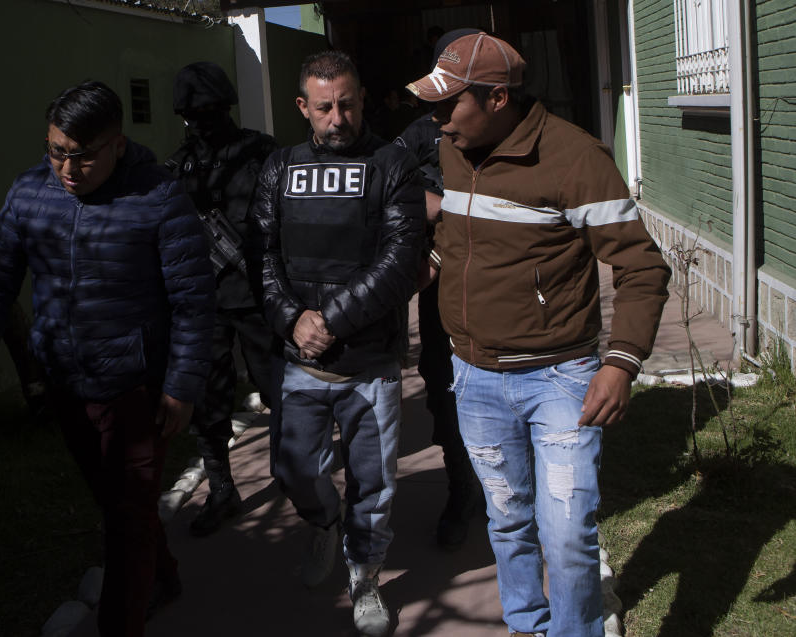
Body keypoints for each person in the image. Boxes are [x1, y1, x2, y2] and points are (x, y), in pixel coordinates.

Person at [408, 33, 671, 637]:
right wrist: (432, 268)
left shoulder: (575, 159)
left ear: (497, 98)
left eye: (450, 105)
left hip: (559, 380)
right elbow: (464, 240)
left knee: (569, 535)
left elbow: (641, 266)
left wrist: (620, 365)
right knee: (506, 520)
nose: (438, 119)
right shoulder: (455, 148)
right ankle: (527, 623)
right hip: (473, 376)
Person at [0, 81, 215, 637]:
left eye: (83, 154)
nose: (68, 168)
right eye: (56, 151)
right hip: (67, 384)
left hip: (137, 390)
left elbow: (194, 302)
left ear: (118, 145)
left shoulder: (159, 197)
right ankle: (165, 578)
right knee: (121, 505)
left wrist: (181, 386)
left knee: (124, 522)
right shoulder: (30, 192)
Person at [252, 51, 424, 637]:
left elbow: (400, 261)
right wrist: (291, 318)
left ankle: (366, 577)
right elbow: (265, 257)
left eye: (347, 104)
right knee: (294, 469)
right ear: (303, 107)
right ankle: (324, 523)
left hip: (370, 363)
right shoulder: (279, 168)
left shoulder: (392, 163)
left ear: (362, 99)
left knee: (373, 485)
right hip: (303, 358)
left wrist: (328, 318)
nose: (337, 117)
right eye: (324, 107)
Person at [165, 61, 279, 537]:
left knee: (279, 390)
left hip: (257, 295)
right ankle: (221, 489)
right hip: (205, 302)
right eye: (195, 113)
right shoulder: (179, 165)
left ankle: (291, 470)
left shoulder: (262, 153)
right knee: (209, 400)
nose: (204, 120)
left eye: (211, 110)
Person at [394, 26, 486, 552]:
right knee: (443, 388)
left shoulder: (509, 132)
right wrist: (430, 209)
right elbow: (382, 180)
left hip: (500, 284)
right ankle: (460, 488)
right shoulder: (421, 133)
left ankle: (511, 497)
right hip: (440, 288)